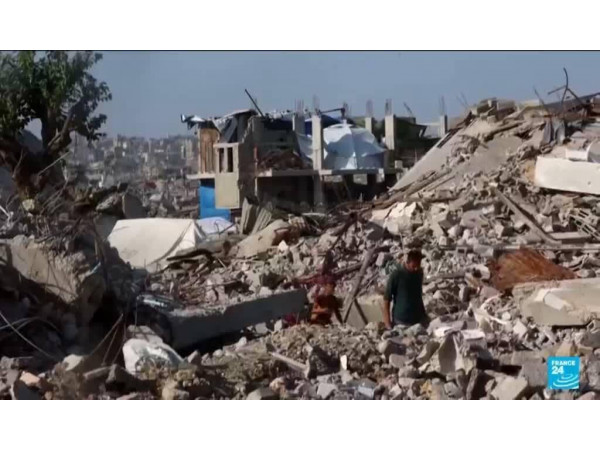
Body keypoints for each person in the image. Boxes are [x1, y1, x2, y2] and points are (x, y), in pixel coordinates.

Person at [382, 249, 428, 329]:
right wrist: (387, 322)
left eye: (418, 265)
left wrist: (424, 315)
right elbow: (386, 299)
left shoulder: (419, 273)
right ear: (407, 263)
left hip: (418, 318)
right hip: (401, 320)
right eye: (413, 266)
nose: (416, 268)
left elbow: (418, 294)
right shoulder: (397, 275)